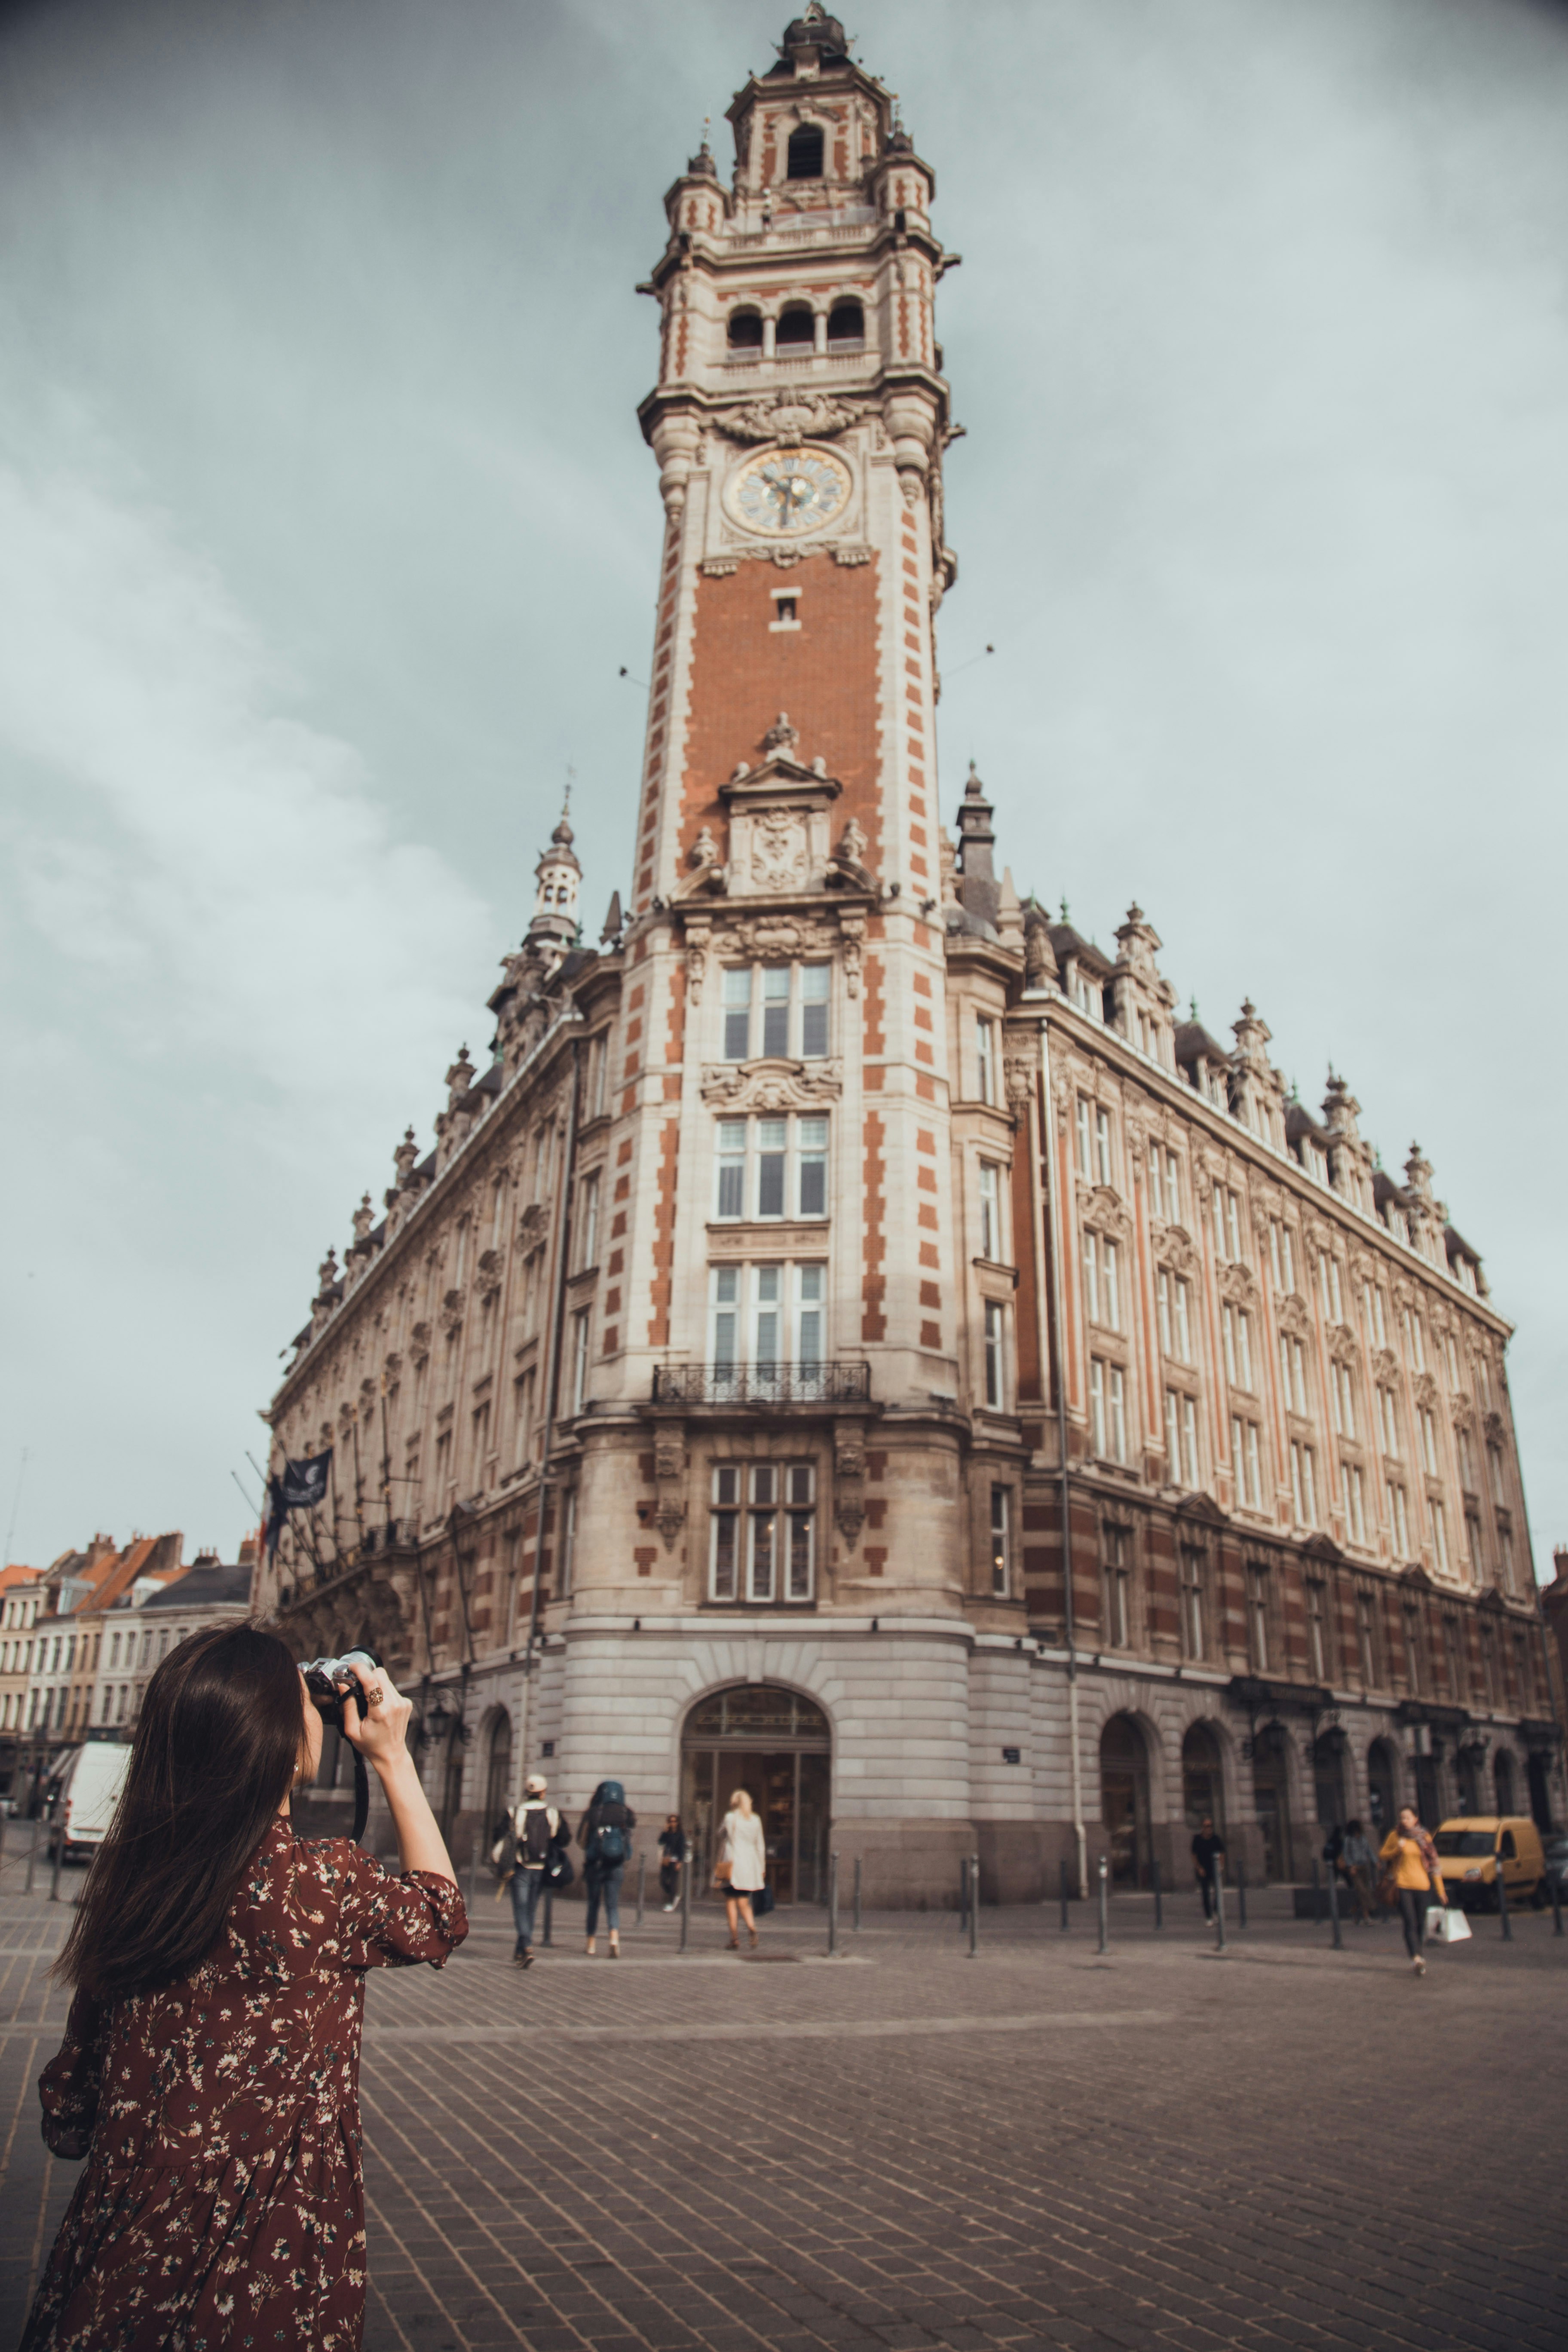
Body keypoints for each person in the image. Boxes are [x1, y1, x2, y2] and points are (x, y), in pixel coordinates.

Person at [20, 1624, 465, 2352]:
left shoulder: (132, 1881)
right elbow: (440, 1916)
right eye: (306, 1706)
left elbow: (69, 2112)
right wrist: (392, 1756)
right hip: (271, 2258)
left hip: (118, 2263)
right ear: (288, 1748)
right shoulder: (321, 1883)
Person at [495, 1773, 569, 1969]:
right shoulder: (553, 1813)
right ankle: (521, 1950)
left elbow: (498, 1835)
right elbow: (564, 1838)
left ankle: (526, 1946)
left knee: (520, 1908)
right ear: (543, 1792)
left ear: (527, 1792)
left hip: (520, 1867)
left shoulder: (515, 1811)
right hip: (541, 1868)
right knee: (530, 1910)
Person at [1380, 1803, 1446, 1975]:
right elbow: (1383, 1855)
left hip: (1423, 1886)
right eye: (1402, 1818)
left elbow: (1434, 1864)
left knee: (1420, 1922)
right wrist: (1397, 1849)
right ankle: (1416, 1957)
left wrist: (1440, 1890)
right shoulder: (1395, 1836)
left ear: (1416, 1819)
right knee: (1409, 1921)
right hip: (1403, 1885)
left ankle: (1419, 1954)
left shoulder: (1424, 1837)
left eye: (1408, 1818)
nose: (1404, 1821)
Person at [578, 1778, 636, 1957]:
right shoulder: (626, 1813)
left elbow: (581, 1840)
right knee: (612, 1905)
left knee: (593, 1905)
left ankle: (591, 1944)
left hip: (595, 1865)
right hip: (616, 1864)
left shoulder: (593, 1812)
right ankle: (614, 1940)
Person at [717, 1787, 768, 1950]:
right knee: (744, 1902)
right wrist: (762, 1867)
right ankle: (752, 1928)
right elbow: (760, 1845)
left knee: (731, 1902)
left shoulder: (730, 1817)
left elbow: (720, 1833)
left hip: (733, 1865)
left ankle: (735, 1939)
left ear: (735, 1802)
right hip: (750, 1865)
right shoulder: (755, 1819)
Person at [1341, 1817, 1378, 1925]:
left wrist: (1375, 1861)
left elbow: (1369, 1851)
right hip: (1355, 1869)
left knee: (1364, 1891)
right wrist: (1351, 1866)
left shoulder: (1363, 1838)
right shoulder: (1348, 1839)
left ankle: (1355, 1910)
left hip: (1364, 1867)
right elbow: (1346, 1854)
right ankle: (1368, 1915)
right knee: (1362, 1891)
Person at [1191, 1815, 1226, 1921]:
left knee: (1218, 1892)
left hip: (1214, 1868)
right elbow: (1194, 1855)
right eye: (1206, 1826)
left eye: (1210, 1826)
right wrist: (1199, 1868)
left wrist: (1221, 1866)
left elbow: (1222, 1853)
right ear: (1202, 1827)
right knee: (1205, 1893)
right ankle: (1209, 1917)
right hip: (1203, 1870)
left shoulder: (1216, 1839)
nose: (1209, 1828)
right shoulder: (1197, 1840)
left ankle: (1216, 1911)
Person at [658, 1813, 686, 1911]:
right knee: (663, 1880)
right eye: (670, 1822)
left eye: (674, 1821)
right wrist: (665, 1831)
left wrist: (680, 1862)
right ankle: (674, 1895)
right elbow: (660, 1842)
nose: (672, 1823)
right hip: (666, 1860)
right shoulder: (667, 1833)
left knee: (673, 1882)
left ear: (678, 1823)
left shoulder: (680, 1835)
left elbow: (682, 1849)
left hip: (675, 1860)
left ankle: (671, 1903)